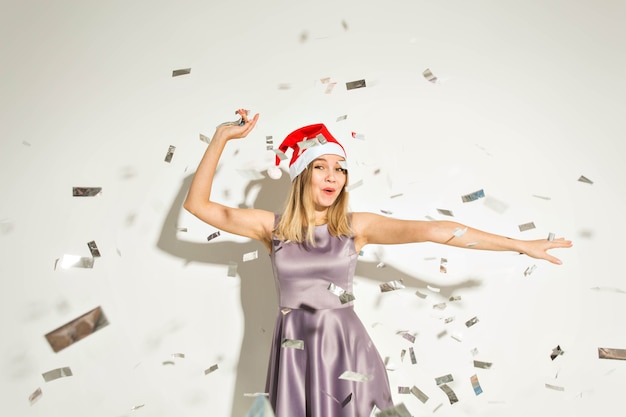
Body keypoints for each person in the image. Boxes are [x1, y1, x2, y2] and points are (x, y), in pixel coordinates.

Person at [183, 109, 572, 417]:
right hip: (294, 350)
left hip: (344, 348)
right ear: (302, 175)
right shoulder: (273, 228)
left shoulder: (356, 227)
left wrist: (519, 245)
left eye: (340, 168)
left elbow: (438, 230)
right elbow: (197, 205)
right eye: (321, 167)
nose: (332, 176)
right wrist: (221, 137)